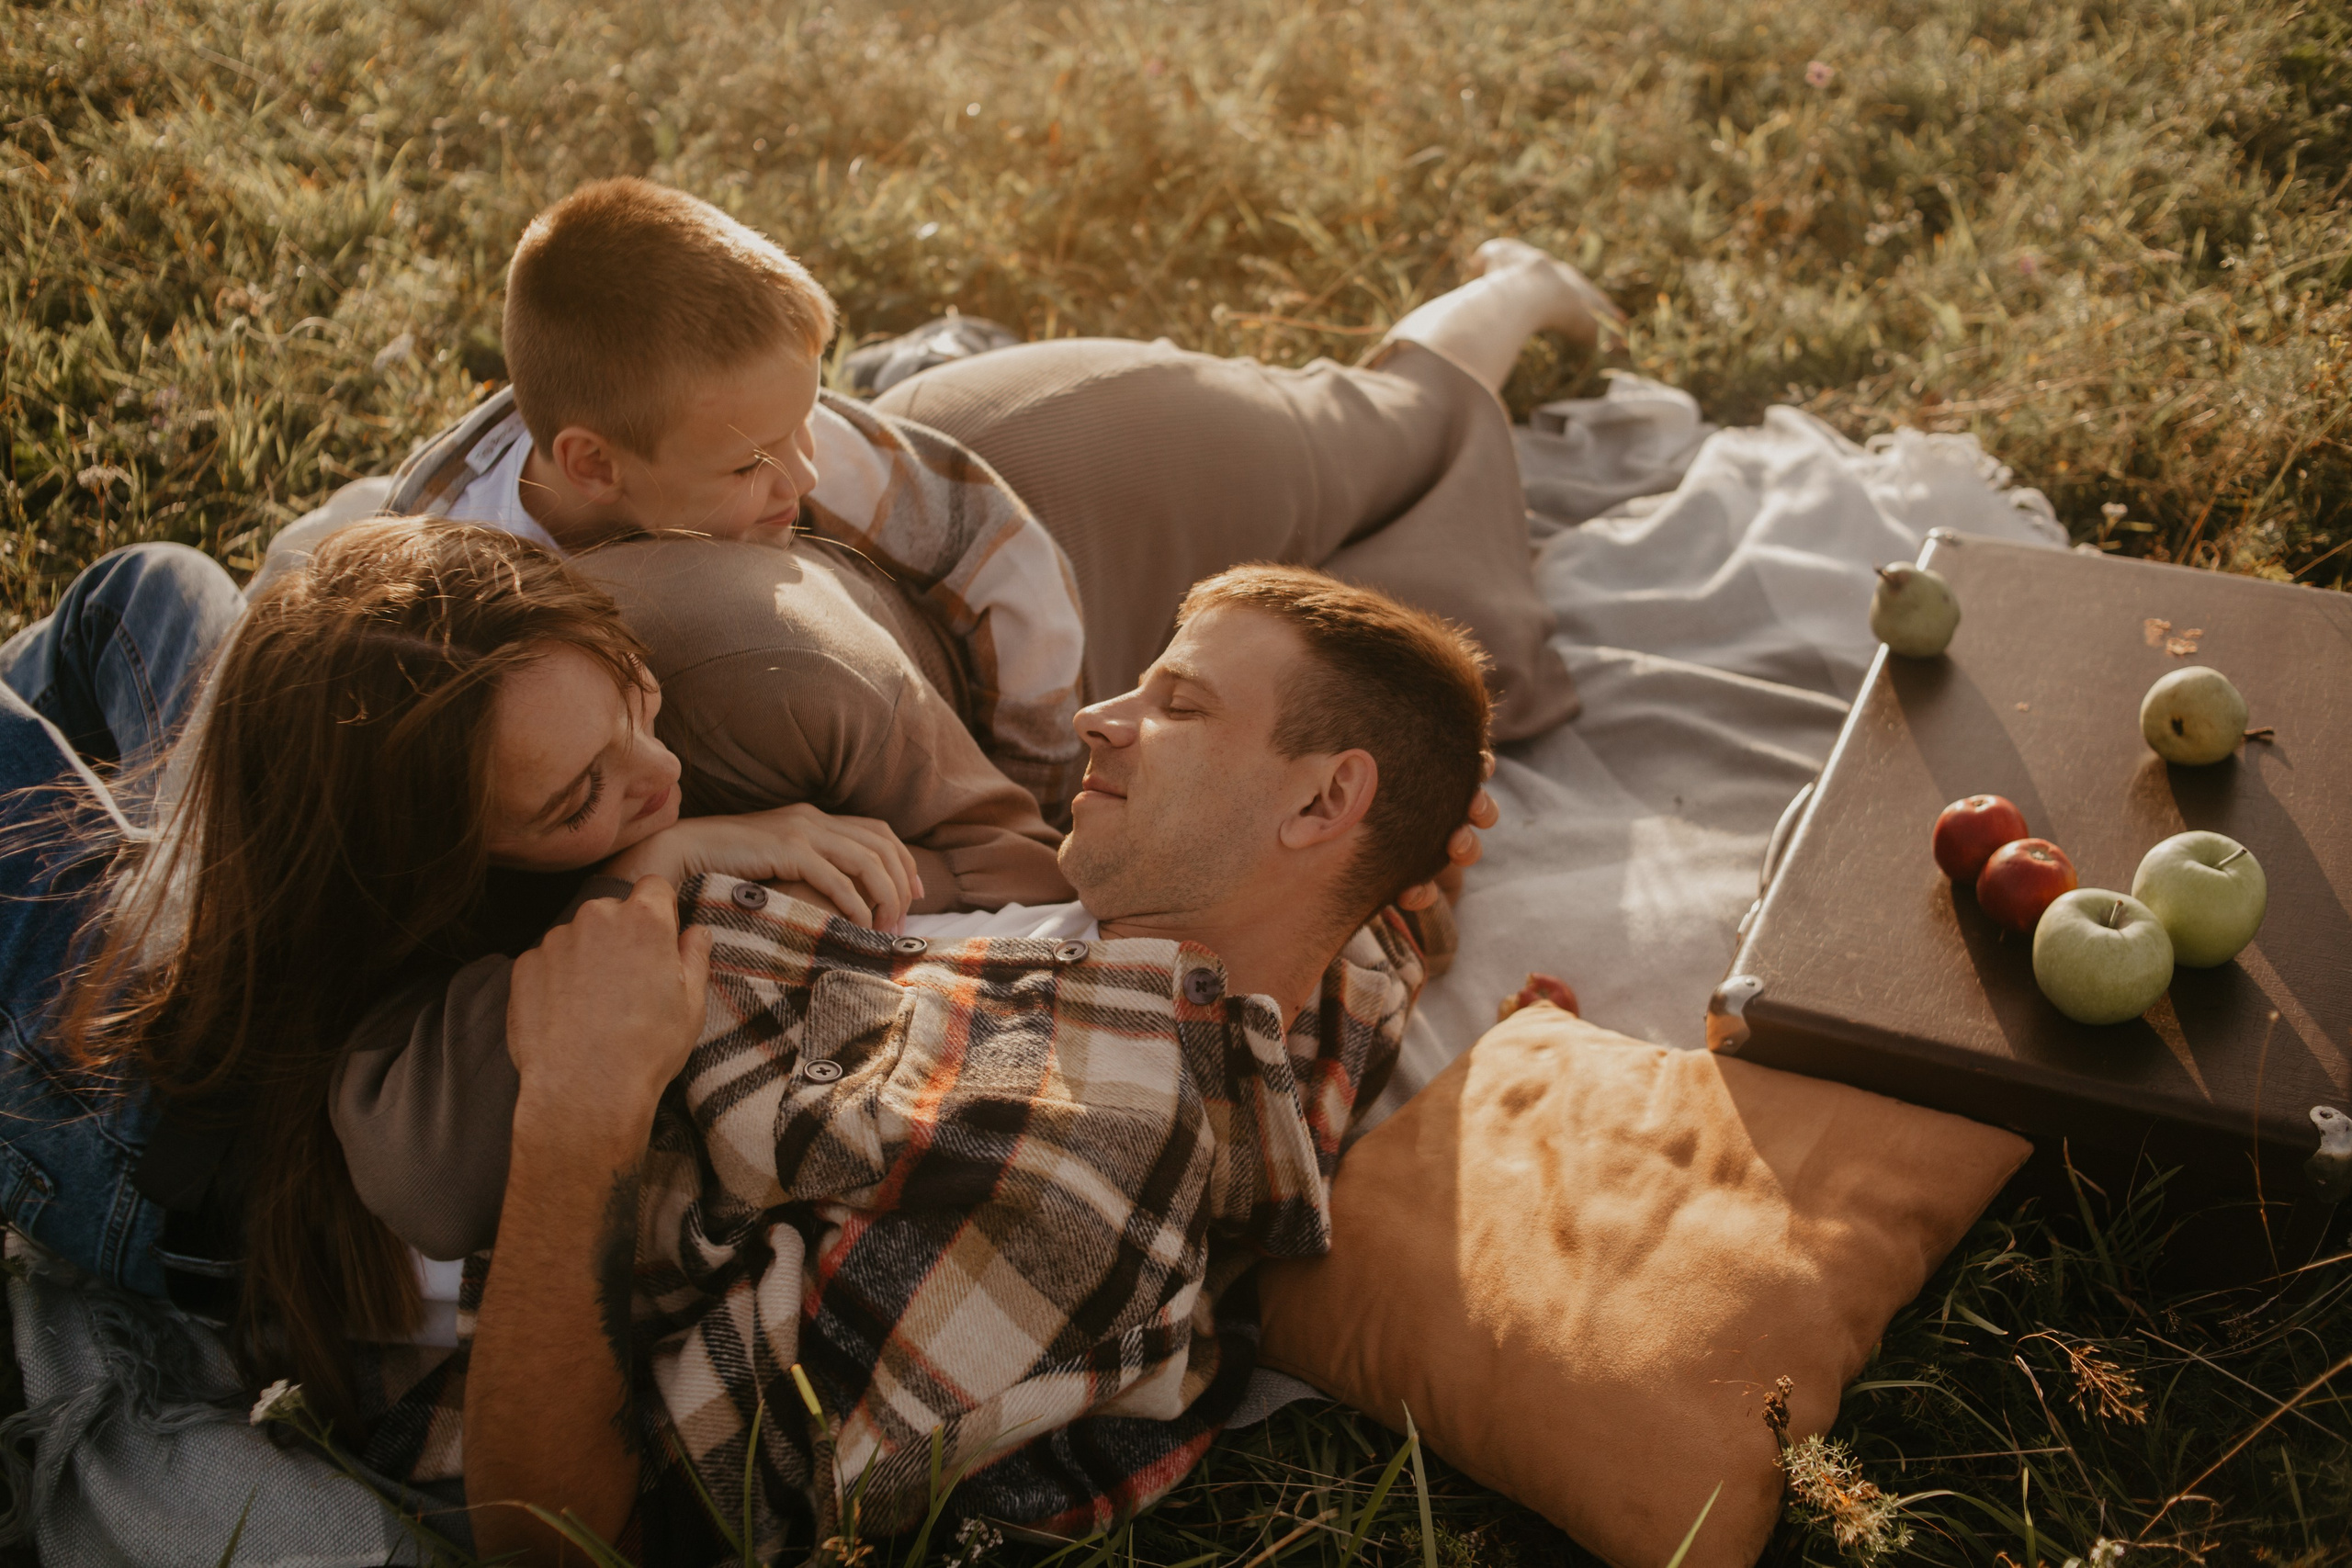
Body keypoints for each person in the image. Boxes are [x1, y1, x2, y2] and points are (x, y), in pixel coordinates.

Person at [460, 562, 1493, 1562]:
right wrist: (1423, 819)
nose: (1101, 715)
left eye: (1178, 706)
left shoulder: (1073, 1176)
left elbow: (573, 1539)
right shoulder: (1322, 962)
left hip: (435, 1178)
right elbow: (1392, 913)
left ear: (1319, 807)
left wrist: (575, 1113)